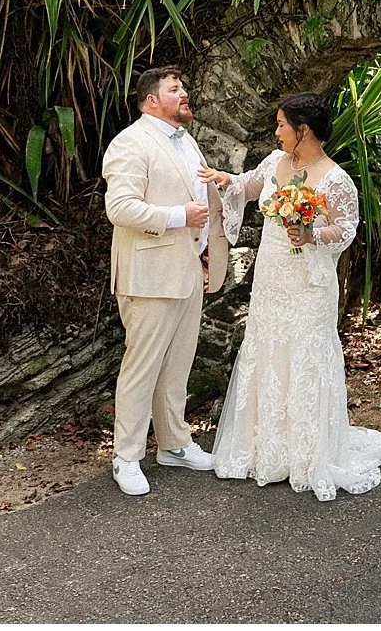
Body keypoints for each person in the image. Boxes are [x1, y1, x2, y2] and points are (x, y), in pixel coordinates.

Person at [198, 91, 381, 501]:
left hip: (310, 284)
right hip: (273, 277)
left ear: (303, 130)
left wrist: (312, 234)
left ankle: (309, 452)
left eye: (281, 125)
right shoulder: (276, 163)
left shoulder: (335, 179)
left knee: (307, 353)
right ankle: (267, 447)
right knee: (269, 349)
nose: (276, 132)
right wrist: (227, 181)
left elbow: (346, 230)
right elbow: (249, 187)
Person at [99, 64, 225, 496]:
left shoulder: (186, 140)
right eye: (176, 89)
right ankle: (126, 456)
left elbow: (200, 201)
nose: (185, 93)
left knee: (177, 368)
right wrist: (177, 218)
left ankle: (174, 444)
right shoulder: (130, 143)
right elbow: (120, 208)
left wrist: (206, 250)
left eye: (184, 87)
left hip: (188, 270)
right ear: (152, 100)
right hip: (148, 276)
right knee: (141, 369)